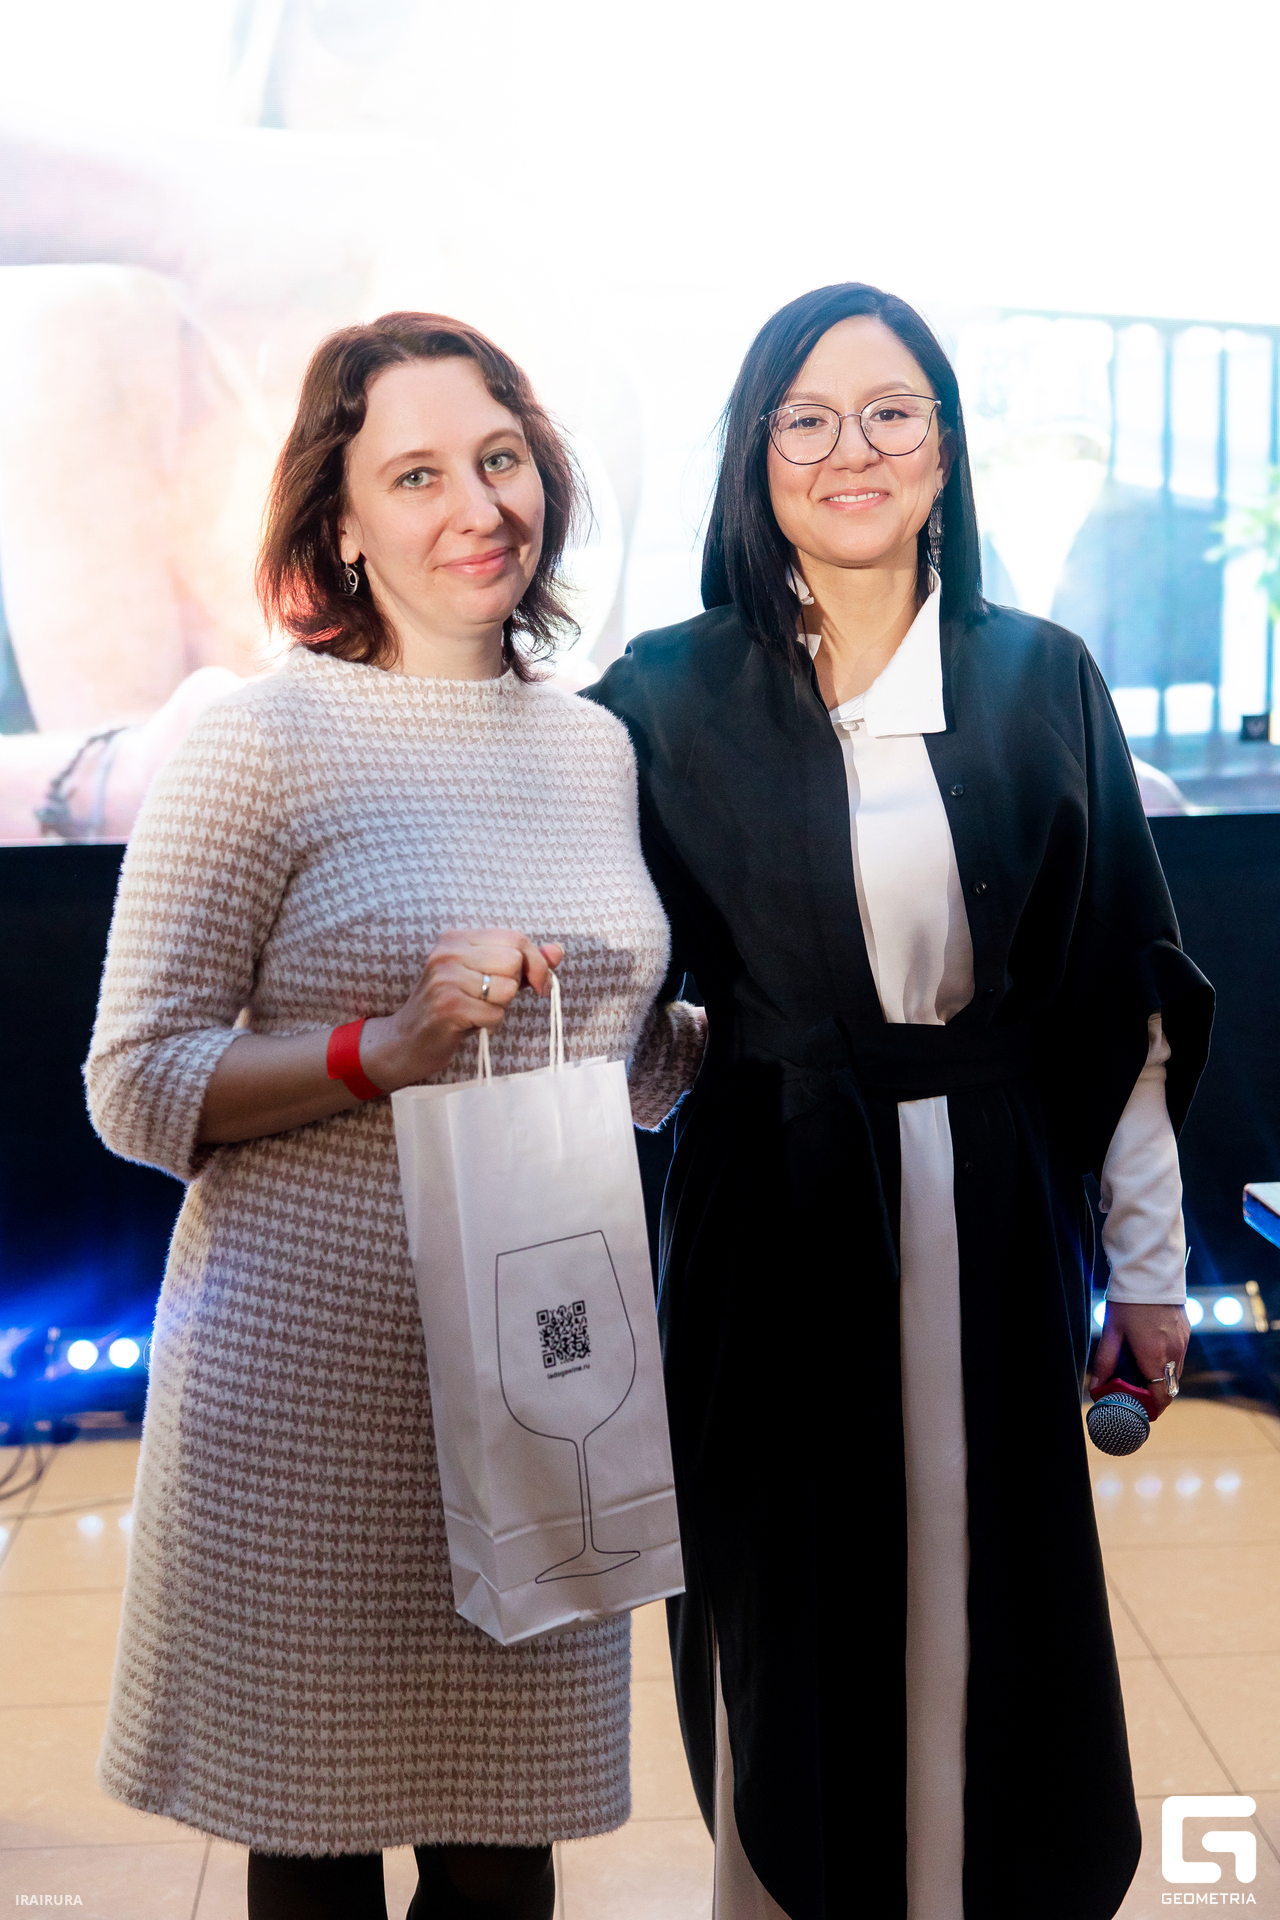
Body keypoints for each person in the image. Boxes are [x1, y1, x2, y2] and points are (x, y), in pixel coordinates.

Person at [588, 282, 1213, 1920]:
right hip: (769, 1205)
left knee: (984, 1575)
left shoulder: (1042, 678)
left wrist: (1150, 1272)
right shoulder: (662, 695)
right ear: (755, 456)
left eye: (890, 413)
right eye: (805, 418)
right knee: (786, 1593)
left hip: (992, 1200)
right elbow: (607, 981)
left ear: (943, 450)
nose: (849, 450)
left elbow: (1120, 1007)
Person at [85, 312, 703, 1920]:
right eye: (416, 474)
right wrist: (388, 1047)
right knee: (316, 1858)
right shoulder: (258, 741)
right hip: (308, 1409)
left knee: (508, 1869)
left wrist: (769, 1037)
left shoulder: (596, 748)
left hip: (542, 1388)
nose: (477, 507)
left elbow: (623, 1062)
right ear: (341, 522)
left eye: (501, 459)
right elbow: (135, 1081)